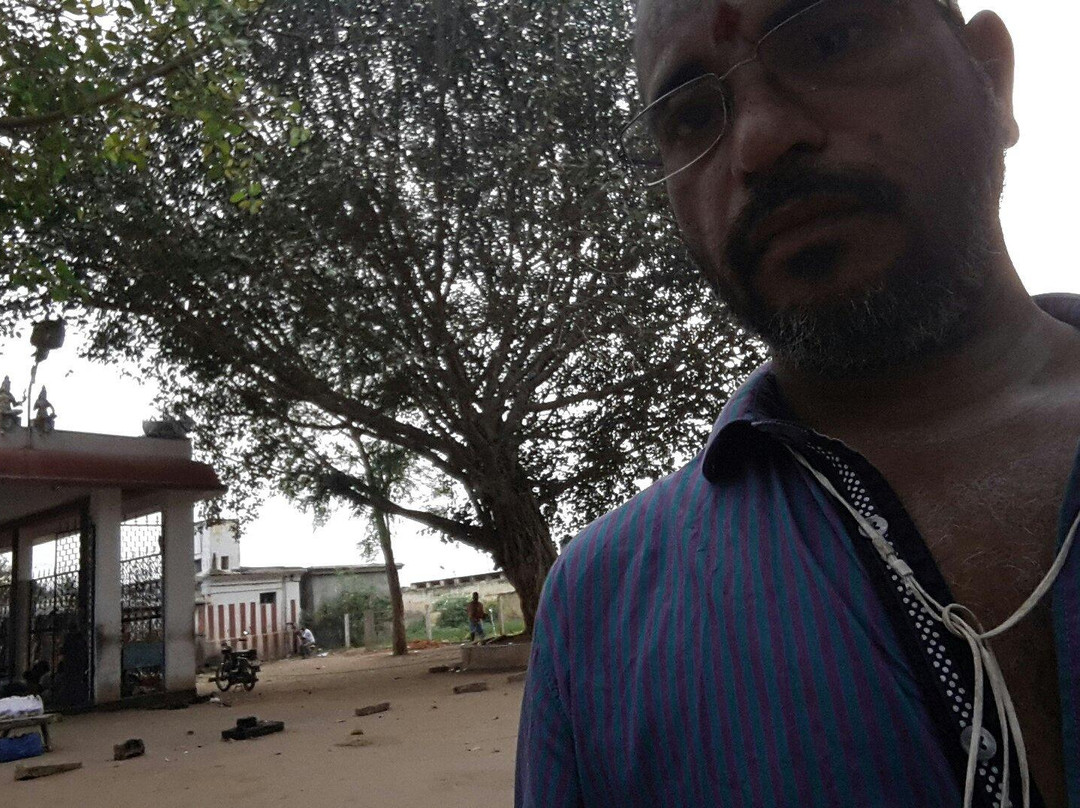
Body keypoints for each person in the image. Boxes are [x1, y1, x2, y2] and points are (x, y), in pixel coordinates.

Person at [516, 1, 1080, 807]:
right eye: (691, 116)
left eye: (829, 40)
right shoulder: (596, 609)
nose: (759, 141)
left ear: (990, 77)